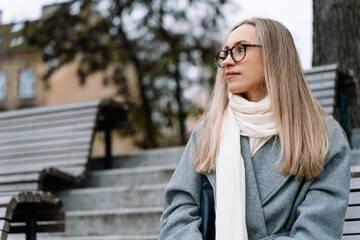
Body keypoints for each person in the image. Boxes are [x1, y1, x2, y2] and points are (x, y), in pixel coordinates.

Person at [159, 18, 350, 240]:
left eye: (240, 49)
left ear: (274, 56)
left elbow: (316, 233)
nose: (228, 62)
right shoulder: (208, 133)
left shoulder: (323, 138)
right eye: (225, 53)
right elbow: (178, 211)